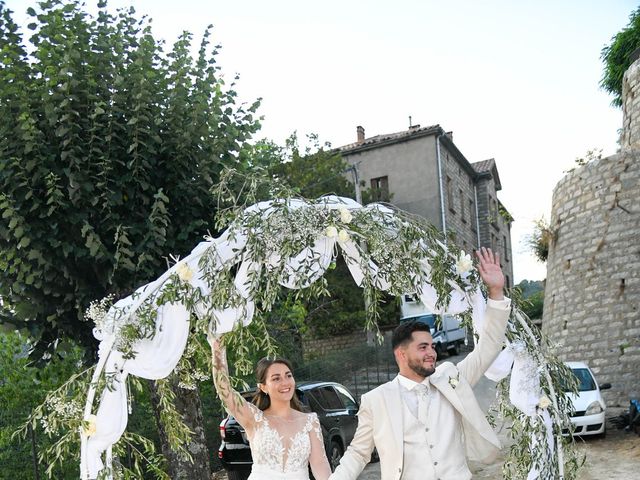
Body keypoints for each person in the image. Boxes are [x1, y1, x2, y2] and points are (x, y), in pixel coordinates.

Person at [329, 247, 510, 480]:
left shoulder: (451, 378)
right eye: (423, 347)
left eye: (432, 346)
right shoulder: (376, 400)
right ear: (400, 354)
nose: (431, 353)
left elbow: (489, 346)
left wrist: (496, 291)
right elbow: (357, 453)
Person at [210, 335, 332, 480]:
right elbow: (225, 391)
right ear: (263, 387)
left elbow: (320, 464)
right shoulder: (254, 418)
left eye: (288, 376)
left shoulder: (310, 421)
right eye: (276, 378)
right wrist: (217, 347)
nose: (285, 382)